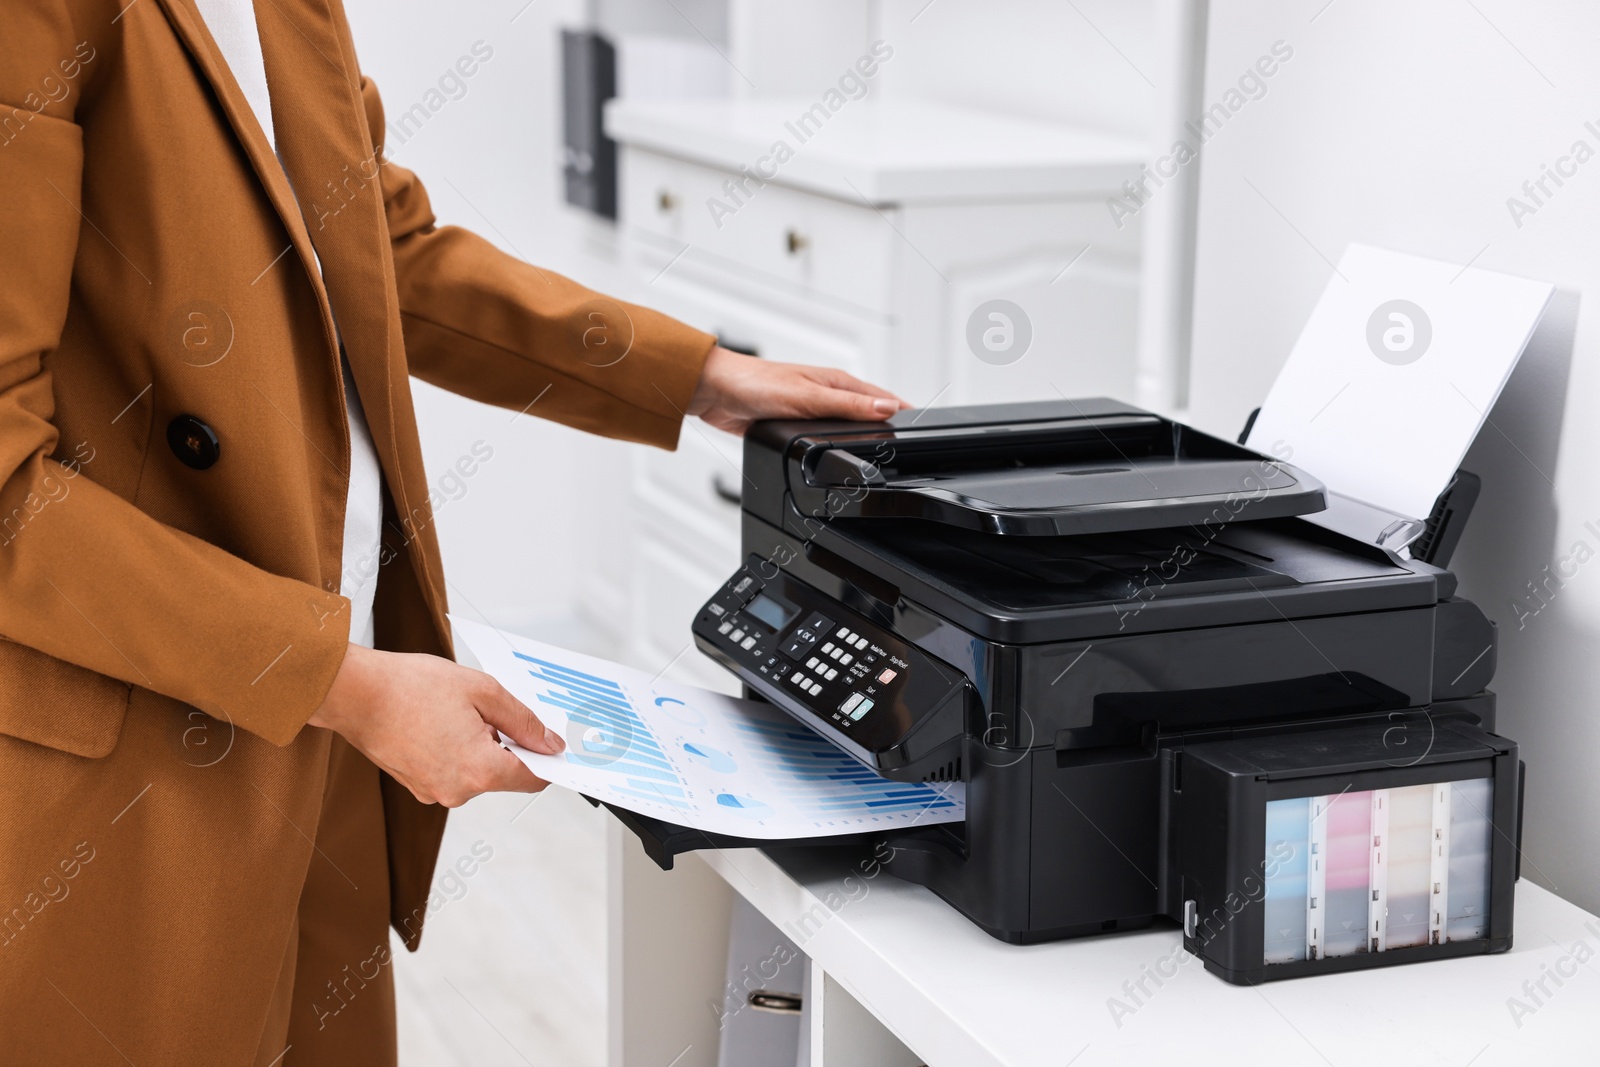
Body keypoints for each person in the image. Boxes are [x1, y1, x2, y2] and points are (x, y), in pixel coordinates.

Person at [0, 1, 906, 1062]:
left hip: (320, 715)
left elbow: (384, 248)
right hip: (145, 749)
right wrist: (348, 682)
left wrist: (690, 373)